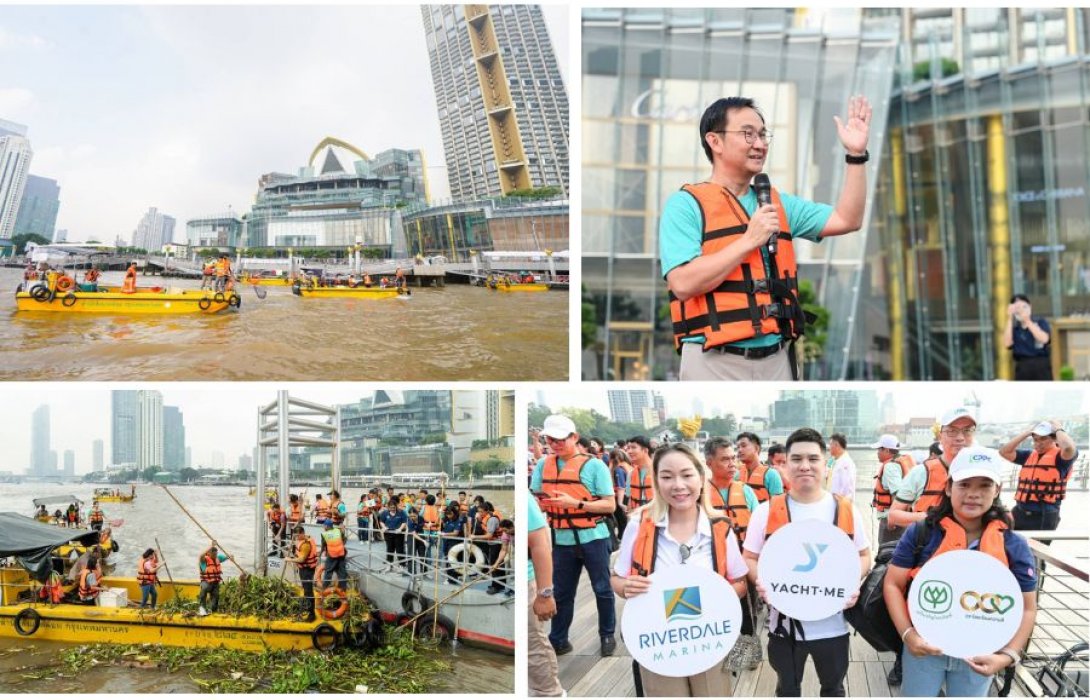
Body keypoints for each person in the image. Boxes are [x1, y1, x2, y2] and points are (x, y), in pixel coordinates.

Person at [662, 95, 872, 380]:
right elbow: (683, 283)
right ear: (715, 141)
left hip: (777, 358)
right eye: (748, 134)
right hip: (712, 360)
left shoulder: (777, 203)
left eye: (763, 135)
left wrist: (856, 155)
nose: (760, 144)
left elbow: (848, 219)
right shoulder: (685, 205)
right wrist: (749, 240)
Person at [883, 445, 1038, 697]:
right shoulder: (922, 532)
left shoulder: (1013, 544)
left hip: (980, 654)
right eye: (964, 484)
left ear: (997, 490)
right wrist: (908, 634)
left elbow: (1028, 607)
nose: (973, 494)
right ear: (948, 487)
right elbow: (892, 584)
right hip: (924, 651)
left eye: (984, 485)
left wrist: (1007, 656)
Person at [611, 443, 749, 696]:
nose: (678, 485)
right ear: (656, 481)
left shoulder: (720, 527)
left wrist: (721, 593)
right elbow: (617, 579)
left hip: (709, 636)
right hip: (657, 640)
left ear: (700, 476)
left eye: (686, 475)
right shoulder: (639, 524)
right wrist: (625, 586)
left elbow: (740, 581)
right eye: (667, 476)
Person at [743, 428, 871, 697]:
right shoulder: (765, 511)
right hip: (783, 626)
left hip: (834, 625)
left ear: (826, 465)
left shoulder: (846, 509)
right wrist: (761, 582)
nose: (805, 466)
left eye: (813, 459)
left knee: (833, 688)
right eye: (797, 459)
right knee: (787, 689)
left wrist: (852, 583)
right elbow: (750, 558)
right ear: (784, 464)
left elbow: (863, 556)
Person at [531, 413, 617, 658]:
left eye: (561, 439)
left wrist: (575, 504)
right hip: (561, 539)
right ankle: (559, 639)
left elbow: (610, 505)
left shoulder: (595, 465)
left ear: (574, 437)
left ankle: (607, 634)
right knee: (562, 592)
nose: (555, 444)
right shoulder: (542, 465)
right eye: (551, 439)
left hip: (594, 537)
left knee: (602, 588)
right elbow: (536, 497)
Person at [703, 436, 763, 670]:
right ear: (709, 463)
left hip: (744, 561)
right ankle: (717, 652)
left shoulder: (745, 491)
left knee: (747, 609)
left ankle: (747, 656)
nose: (732, 464)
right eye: (725, 459)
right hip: (714, 564)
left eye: (734, 459)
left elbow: (759, 530)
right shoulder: (701, 494)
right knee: (716, 609)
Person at [888, 407, 977, 531]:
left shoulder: (984, 474)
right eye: (952, 431)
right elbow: (893, 516)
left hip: (970, 549)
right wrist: (932, 518)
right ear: (940, 436)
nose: (960, 438)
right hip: (929, 546)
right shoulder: (921, 472)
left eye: (967, 431)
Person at [999, 420, 1078, 538]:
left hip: (1043, 515)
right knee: (1009, 547)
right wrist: (1027, 432)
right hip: (1020, 512)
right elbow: (1004, 451)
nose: (1038, 443)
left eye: (1043, 439)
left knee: (1036, 552)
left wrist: (1058, 430)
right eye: (1035, 439)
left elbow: (1068, 448)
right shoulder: (1028, 456)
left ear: (1054, 439)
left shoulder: (1061, 459)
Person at [528, 494, 563, 697]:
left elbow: (540, 543)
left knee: (533, 643)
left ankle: (550, 693)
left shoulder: (525, 500)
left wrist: (545, 593)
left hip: (526, 579)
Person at [870, 434, 915, 545]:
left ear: (887, 450)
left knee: (886, 554)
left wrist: (893, 519)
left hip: (892, 521)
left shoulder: (890, 467)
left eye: (879, 449)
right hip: (903, 517)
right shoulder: (902, 461)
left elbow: (899, 494)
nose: (877, 453)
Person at [1003, 294, 1052, 380]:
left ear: (1030, 307)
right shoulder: (1015, 329)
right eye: (1017, 308)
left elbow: (1045, 339)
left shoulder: (1040, 322)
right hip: (1022, 365)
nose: (1021, 310)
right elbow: (1007, 344)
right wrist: (1009, 318)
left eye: (1024, 307)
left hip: (1041, 365)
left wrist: (1027, 321)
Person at [736, 432, 784, 503]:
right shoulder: (736, 474)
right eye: (738, 447)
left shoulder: (771, 474)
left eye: (743, 446)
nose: (739, 450)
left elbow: (778, 505)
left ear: (756, 448)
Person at [288, 526, 318, 622]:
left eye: (297, 536)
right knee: (306, 590)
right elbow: (298, 552)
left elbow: (302, 559)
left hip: (307, 570)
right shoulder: (301, 540)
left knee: (308, 591)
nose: (296, 538)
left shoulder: (306, 545)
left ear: (302, 533)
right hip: (303, 569)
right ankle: (307, 607)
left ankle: (312, 615)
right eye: (295, 536)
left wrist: (290, 559)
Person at [624, 436, 655, 511]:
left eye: (633, 447)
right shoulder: (631, 474)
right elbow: (628, 501)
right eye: (628, 448)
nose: (629, 451)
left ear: (645, 450)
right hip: (637, 518)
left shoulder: (659, 472)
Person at [485, 519, 515, 596]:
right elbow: (503, 550)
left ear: (512, 527)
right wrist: (496, 563)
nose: (505, 533)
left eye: (506, 530)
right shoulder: (505, 534)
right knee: (510, 571)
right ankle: (512, 589)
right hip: (512, 551)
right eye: (503, 531)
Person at [198, 543, 227, 616]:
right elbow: (201, 556)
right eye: (213, 554)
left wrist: (230, 557)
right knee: (204, 590)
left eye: (216, 554)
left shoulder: (218, 558)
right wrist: (211, 546)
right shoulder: (204, 560)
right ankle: (202, 608)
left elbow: (227, 556)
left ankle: (213, 611)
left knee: (216, 597)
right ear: (209, 553)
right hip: (206, 582)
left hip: (215, 583)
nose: (215, 556)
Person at [379, 498, 408, 571]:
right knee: (389, 549)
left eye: (394, 507)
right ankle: (389, 565)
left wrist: (400, 529)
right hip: (388, 534)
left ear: (396, 506)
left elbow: (404, 522)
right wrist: (384, 527)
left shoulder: (401, 512)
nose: (392, 509)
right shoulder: (385, 513)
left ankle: (402, 565)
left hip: (398, 534)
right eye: (391, 507)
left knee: (399, 549)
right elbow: (381, 521)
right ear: (388, 507)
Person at [319, 517, 348, 588]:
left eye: (324, 526)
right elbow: (344, 540)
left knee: (328, 572)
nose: (323, 527)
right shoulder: (338, 531)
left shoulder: (324, 534)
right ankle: (343, 590)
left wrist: (319, 555)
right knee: (342, 573)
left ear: (326, 526)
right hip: (341, 555)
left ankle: (324, 589)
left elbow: (323, 546)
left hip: (332, 556)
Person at [827, 433, 856, 499]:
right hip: (831, 500)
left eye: (830, 444)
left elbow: (847, 488)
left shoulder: (846, 463)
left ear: (836, 445)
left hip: (840, 503)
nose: (829, 447)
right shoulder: (832, 459)